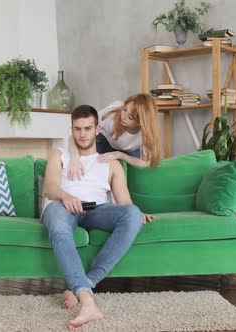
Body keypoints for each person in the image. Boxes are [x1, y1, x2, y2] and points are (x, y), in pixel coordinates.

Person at [41, 104, 154, 330]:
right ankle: (86, 299)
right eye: (77, 129)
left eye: (87, 128)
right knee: (56, 221)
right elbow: (49, 188)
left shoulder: (111, 163)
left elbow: (125, 203)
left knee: (132, 214)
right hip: (61, 207)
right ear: (72, 130)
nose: (82, 134)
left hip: (97, 210)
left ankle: (87, 282)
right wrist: (66, 196)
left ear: (97, 129)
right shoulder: (60, 154)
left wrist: (136, 213)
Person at [67, 93, 161, 181]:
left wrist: (120, 155)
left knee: (133, 176)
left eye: (130, 118)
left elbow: (146, 164)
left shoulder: (145, 134)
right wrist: (74, 158)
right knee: (93, 167)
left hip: (128, 151)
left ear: (141, 123)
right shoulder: (110, 115)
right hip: (104, 141)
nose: (123, 116)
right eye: (124, 109)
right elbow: (74, 137)